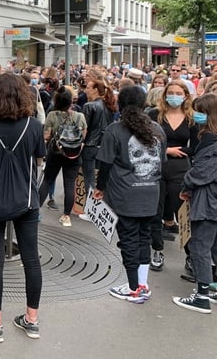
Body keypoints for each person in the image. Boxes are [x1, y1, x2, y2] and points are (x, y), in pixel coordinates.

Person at [0, 73, 45, 343]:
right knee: (31, 258)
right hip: (27, 198)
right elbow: (39, 158)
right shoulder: (34, 126)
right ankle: (32, 320)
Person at [94, 86, 166, 303]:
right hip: (151, 194)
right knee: (144, 238)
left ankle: (133, 287)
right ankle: (142, 284)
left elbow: (104, 165)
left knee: (128, 240)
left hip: (124, 195)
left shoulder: (114, 130)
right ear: (144, 103)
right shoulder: (157, 130)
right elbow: (162, 163)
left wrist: (99, 188)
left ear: (121, 104)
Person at [147, 80, 198, 273]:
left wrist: (177, 151)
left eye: (178, 93)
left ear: (185, 96)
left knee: (182, 213)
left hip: (180, 168)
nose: (174, 96)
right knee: (155, 212)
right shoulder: (154, 115)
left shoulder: (191, 118)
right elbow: (146, 141)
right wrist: (166, 150)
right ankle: (157, 250)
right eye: (171, 92)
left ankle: (190, 255)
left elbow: (194, 147)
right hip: (157, 166)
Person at [173, 93, 217, 312]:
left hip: (208, 201)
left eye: (200, 111)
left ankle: (201, 295)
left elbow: (202, 173)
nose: (196, 115)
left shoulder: (210, 139)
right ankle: (213, 289)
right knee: (214, 246)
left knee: (200, 246)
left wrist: (186, 184)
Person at [39, 87, 87, 227]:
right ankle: (66, 216)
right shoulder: (80, 116)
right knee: (70, 184)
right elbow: (83, 135)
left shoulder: (52, 116)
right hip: (74, 154)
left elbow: (46, 136)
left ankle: (36, 212)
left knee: (47, 180)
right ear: (71, 102)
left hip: (56, 153)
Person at [81, 77, 117, 198]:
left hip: (90, 146)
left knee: (89, 178)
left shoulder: (89, 106)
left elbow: (84, 128)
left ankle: (91, 206)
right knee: (101, 178)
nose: (86, 90)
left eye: (88, 88)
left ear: (95, 90)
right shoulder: (109, 105)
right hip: (104, 146)